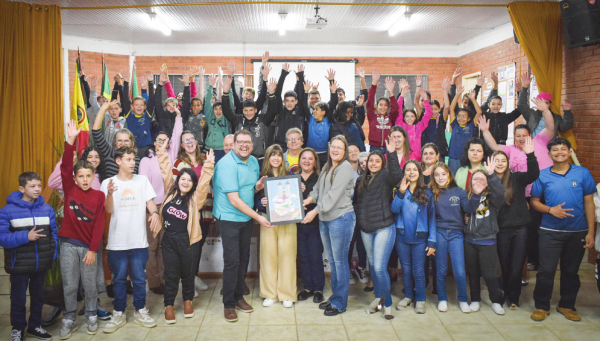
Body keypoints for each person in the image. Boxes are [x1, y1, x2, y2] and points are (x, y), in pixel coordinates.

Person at [479, 98, 555, 271]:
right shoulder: (510, 149)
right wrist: (484, 131)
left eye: (524, 135)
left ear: (530, 135)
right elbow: (493, 145)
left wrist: (545, 111)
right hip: (519, 195)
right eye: (518, 135)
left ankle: (537, 260)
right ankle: (524, 263)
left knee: (539, 228)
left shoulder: (540, 141)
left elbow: (550, 127)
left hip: (541, 193)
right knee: (526, 229)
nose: (521, 138)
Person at [530, 138, 596, 322]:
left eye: (563, 149)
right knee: (546, 271)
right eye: (555, 150)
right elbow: (534, 202)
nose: (559, 152)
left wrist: (591, 232)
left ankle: (567, 305)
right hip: (549, 231)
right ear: (549, 154)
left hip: (577, 231)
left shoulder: (583, 173)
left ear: (569, 151)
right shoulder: (542, 175)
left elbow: (589, 203)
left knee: (570, 271)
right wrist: (551, 210)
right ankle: (542, 306)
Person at [213, 129, 271, 322]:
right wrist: (258, 217)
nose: (244, 145)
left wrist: (258, 187)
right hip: (229, 217)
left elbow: (248, 188)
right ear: (234, 144)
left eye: (248, 142)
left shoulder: (254, 161)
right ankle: (228, 304)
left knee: (244, 258)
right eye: (240, 142)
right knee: (232, 261)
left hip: (245, 219)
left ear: (252, 146)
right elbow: (234, 200)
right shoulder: (226, 164)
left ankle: (239, 297)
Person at [100, 146, 161, 333]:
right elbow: (108, 210)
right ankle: (118, 313)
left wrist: (155, 214)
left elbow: (150, 202)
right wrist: (110, 193)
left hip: (139, 241)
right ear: (118, 161)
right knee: (118, 279)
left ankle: (140, 311)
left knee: (139, 279)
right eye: (128, 159)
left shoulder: (141, 181)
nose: (132, 163)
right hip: (117, 241)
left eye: (133, 159)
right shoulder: (107, 182)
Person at [57, 121, 107, 339]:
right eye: (81, 176)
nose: (85, 180)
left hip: (88, 248)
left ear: (93, 176)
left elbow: (99, 225)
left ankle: (91, 315)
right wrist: (71, 140)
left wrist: (93, 249)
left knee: (89, 285)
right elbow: (66, 166)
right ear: (75, 179)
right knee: (69, 285)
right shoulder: (70, 189)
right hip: (68, 245)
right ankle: (69, 319)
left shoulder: (99, 196)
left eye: (89, 176)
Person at [156, 142, 214, 324]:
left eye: (190, 180)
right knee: (171, 275)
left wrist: (209, 165)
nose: (186, 182)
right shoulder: (170, 192)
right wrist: (162, 152)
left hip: (188, 241)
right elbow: (166, 170)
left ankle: (188, 300)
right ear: (178, 180)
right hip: (169, 240)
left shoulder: (196, 198)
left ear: (192, 184)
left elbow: (204, 184)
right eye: (183, 179)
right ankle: (169, 305)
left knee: (188, 274)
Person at [302, 135, 356, 316]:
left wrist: (314, 211)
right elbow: (318, 188)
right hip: (326, 219)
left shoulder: (346, 167)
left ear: (345, 151)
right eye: (333, 147)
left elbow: (332, 196)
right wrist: (307, 199)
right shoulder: (328, 166)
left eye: (340, 148)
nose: (335, 150)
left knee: (340, 262)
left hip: (340, 218)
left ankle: (341, 303)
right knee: (332, 262)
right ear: (329, 147)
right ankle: (334, 297)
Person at [0, 172, 57, 341]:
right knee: (18, 298)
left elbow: (53, 235)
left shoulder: (47, 209)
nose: (37, 189)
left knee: (38, 297)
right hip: (19, 265)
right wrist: (26, 236)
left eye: (39, 185)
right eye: (32, 186)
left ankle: (35, 326)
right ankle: (18, 328)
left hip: (41, 264)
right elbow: (2, 238)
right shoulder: (6, 211)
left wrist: (51, 256)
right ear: (21, 188)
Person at [354, 138, 403, 319]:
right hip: (366, 229)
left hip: (384, 227)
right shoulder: (360, 180)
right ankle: (378, 298)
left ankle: (387, 303)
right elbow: (357, 204)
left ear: (381, 164)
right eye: (370, 161)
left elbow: (397, 176)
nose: (373, 164)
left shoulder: (385, 177)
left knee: (381, 267)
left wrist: (391, 154)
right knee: (373, 266)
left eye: (377, 161)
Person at [492, 137, 539, 310]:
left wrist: (530, 155)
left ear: (508, 163)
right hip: (501, 230)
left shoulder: (517, 178)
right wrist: (489, 176)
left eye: (503, 160)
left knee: (517, 265)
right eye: (496, 160)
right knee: (505, 265)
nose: (500, 163)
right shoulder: (490, 182)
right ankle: (505, 293)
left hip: (520, 229)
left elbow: (534, 174)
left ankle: (514, 298)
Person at [139, 116, 183, 296]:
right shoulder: (146, 161)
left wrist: (178, 116)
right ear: (154, 142)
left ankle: (165, 279)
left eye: (165, 140)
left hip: (168, 206)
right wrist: (153, 211)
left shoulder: (171, 157)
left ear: (169, 143)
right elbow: (144, 186)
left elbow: (178, 134)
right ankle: (154, 281)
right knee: (152, 245)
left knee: (165, 244)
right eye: (158, 140)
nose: (161, 143)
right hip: (152, 206)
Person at [429, 162, 480, 313]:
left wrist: (476, 194)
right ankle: (442, 299)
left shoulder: (459, 192)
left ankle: (463, 299)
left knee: (459, 270)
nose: (440, 178)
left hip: (456, 234)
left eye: (443, 174)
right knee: (441, 269)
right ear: (433, 177)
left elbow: (469, 208)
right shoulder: (431, 192)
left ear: (449, 175)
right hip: (439, 233)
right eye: (437, 175)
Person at [255, 145, 298, 308]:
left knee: (287, 254)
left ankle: (287, 294)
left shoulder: (291, 176)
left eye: (279, 155)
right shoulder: (261, 177)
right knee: (268, 255)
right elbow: (254, 199)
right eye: (272, 155)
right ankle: (270, 293)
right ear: (268, 158)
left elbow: (296, 199)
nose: (276, 158)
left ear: (283, 158)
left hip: (288, 219)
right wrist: (261, 202)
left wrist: (300, 191)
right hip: (267, 219)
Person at [463, 158, 506, 315]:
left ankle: (496, 301)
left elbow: (501, 193)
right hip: (469, 241)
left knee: (489, 274)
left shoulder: (493, 199)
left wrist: (492, 174)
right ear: (471, 182)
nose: (479, 181)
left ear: (488, 183)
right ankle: (475, 299)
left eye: (483, 179)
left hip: (487, 241)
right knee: (473, 273)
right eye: (476, 179)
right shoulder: (467, 197)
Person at [392, 161, 436, 314]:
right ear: (404, 173)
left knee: (418, 270)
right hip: (402, 238)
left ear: (419, 172)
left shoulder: (427, 191)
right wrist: (401, 192)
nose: (411, 172)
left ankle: (421, 298)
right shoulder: (400, 190)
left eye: (414, 169)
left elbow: (432, 218)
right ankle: (408, 295)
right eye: (408, 169)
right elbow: (394, 209)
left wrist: (432, 240)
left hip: (420, 239)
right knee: (405, 269)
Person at [222, 76, 277, 159]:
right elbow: (226, 111)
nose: (248, 113)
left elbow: (272, 111)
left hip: (260, 159)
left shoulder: (263, 120)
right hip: (240, 158)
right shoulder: (238, 119)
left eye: (251, 110)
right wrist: (225, 93)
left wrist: (272, 94)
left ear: (255, 110)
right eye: (246, 110)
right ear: (243, 111)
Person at [296, 148, 326, 304]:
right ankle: (307, 287)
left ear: (315, 162)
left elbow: (323, 199)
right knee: (303, 257)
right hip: (298, 224)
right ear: (299, 161)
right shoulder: (293, 179)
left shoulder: (320, 178)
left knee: (315, 256)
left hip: (315, 223)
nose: (306, 161)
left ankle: (318, 288)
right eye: (304, 158)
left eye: (310, 159)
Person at [92, 100, 141, 178]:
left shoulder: (136, 158)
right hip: (111, 189)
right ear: (115, 142)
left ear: (131, 142)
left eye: (126, 141)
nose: (123, 143)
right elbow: (96, 132)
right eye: (119, 141)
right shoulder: (109, 152)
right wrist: (103, 109)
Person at [519, 70, 574, 138]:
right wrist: (525, 87)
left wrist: (567, 112)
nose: (544, 105)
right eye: (541, 102)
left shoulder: (555, 117)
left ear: (550, 104)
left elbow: (565, 127)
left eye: (546, 103)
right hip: (533, 146)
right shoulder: (532, 114)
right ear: (537, 102)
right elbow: (521, 105)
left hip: (549, 147)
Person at [114, 73, 155, 157]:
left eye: (141, 105)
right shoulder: (129, 116)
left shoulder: (147, 116)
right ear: (132, 107)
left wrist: (150, 83)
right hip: (131, 149)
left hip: (146, 149)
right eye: (136, 105)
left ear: (145, 107)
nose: (139, 107)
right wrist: (126, 82)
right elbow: (125, 99)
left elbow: (151, 101)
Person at [447, 86, 482, 175]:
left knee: (466, 180)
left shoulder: (472, 125)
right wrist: (457, 94)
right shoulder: (454, 124)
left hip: (467, 158)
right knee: (453, 180)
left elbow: (479, 112)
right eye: (459, 116)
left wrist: (473, 99)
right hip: (453, 158)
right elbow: (451, 108)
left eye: (464, 116)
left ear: (469, 118)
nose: (461, 118)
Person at [366, 68, 400, 152]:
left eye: (385, 105)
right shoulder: (372, 116)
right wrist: (373, 85)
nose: (383, 107)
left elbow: (396, 109)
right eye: (380, 105)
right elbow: (369, 102)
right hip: (374, 148)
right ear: (377, 106)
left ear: (388, 107)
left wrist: (391, 92)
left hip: (387, 148)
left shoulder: (390, 118)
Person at [396, 87, 432, 162]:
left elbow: (428, 113)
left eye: (412, 116)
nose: (409, 118)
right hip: (403, 156)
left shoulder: (419, 127)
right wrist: (402, 95)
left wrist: (425, 99)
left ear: (415, 118)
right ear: (404, 118)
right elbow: (398, 110)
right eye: (407, 116)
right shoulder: (401, 126)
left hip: (416, 157)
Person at [204, 74, 232, 161]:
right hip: (210, 149)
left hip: (223, 150)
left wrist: (228, 89)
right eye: (216, 109)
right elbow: (207, 103)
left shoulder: (227, 119)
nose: (218, 111)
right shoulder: (210, 118)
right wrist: (210, 86)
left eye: (221, 109)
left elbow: (231, 104)